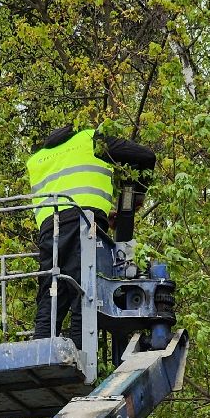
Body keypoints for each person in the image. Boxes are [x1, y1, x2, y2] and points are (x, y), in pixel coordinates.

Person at [27, 125, 156, 346]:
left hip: (50, 228)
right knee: (83, 292)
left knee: (52, 292)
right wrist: (136, 198)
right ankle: (80, 352)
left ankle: (40, 349)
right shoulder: (89, 139)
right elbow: (146, 156)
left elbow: (68, 187)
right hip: (84, 221)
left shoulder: (36, 159)